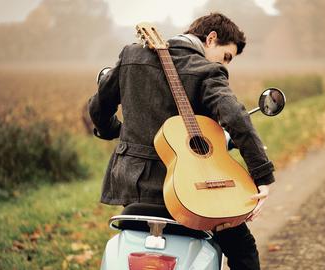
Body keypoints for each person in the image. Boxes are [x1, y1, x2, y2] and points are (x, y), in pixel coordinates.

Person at [88, 12, 275, 270]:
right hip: (193, 193)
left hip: (134, 187)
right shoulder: (207, 70)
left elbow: (98, 110)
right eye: (226, 56)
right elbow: (235, 116)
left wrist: (116, 131)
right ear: (211, 39)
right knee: (244, 250)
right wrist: (262, 176)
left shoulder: (130, 57)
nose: (226, 64)